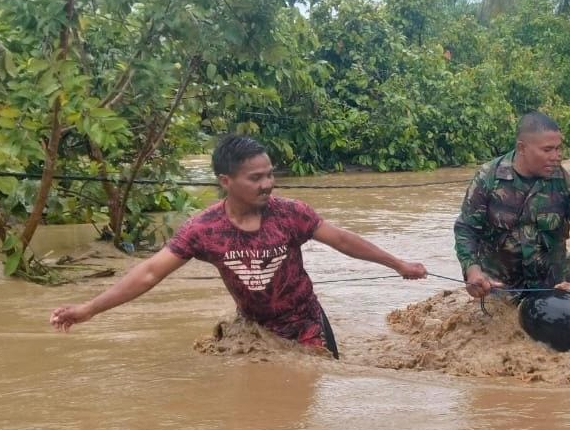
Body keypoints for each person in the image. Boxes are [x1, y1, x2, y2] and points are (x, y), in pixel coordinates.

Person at [49, 135, 427, 358]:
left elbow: (343, 240)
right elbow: (148, 273)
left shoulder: (291, 214)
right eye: (256, 178)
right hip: (254, 331)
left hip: (307, 325)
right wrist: (88, 310)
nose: (268, 184)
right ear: (226, 181)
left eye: (270, 174)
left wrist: (398, 264)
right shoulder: (203, 228)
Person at [455, 112, 570, 300]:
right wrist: (473, 272)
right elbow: (466, 229)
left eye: (558, 148)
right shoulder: (488, 178)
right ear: (522, 148)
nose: (556, 156)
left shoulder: (568, 183)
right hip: (500, 287)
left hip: (556, 286)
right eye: (547, 150)